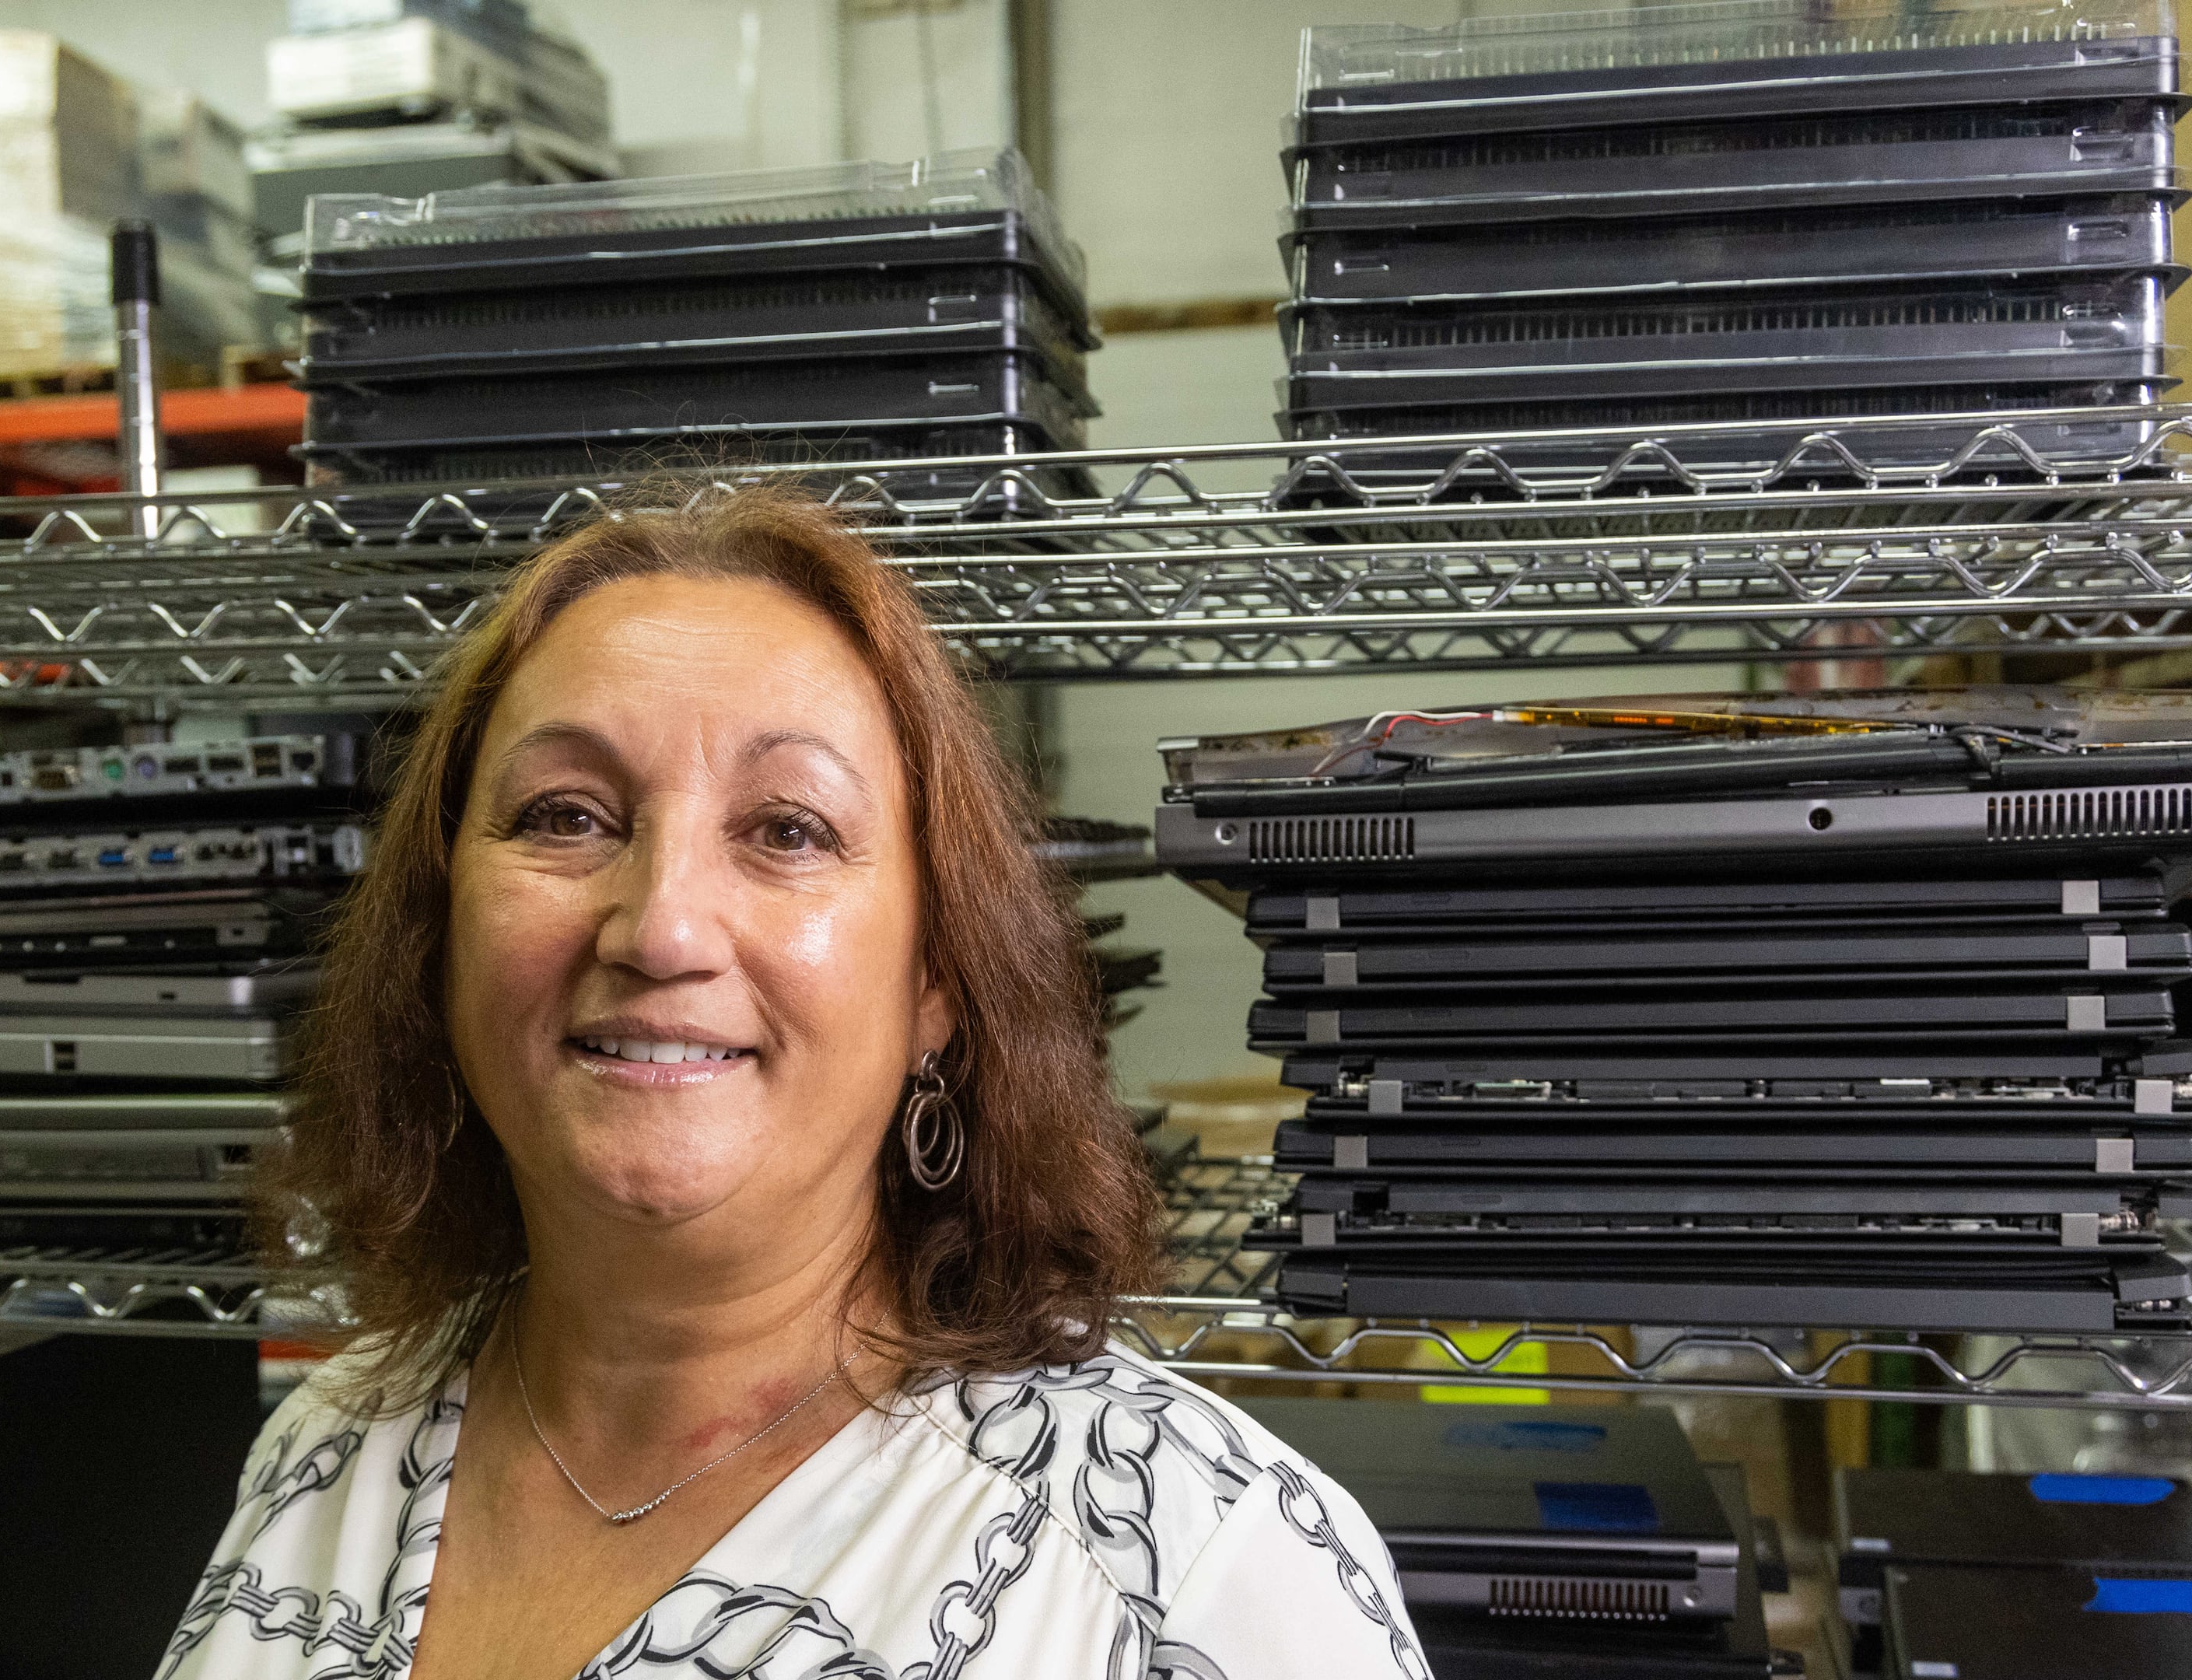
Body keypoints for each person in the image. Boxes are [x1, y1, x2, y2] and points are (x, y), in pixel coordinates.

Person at [161, 484, 1427, 1679]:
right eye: (565, 816)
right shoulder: (333, 1435)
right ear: (440, 928)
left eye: (787, 830)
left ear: (936, 979)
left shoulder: (1193, 1572)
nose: (659, 930)